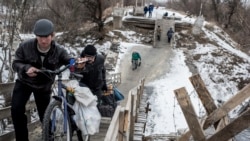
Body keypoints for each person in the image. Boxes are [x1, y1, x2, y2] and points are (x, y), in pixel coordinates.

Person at [11, 19, 73, 141]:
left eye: (47, 37)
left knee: (44, 115)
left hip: (44, 86)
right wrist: (26, 68)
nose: (43, 41)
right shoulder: (25, 46)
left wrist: (75, 64)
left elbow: (69, 60)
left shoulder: (59, 50)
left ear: (52, 35)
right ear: (36, 36)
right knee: (16, 109)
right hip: (25, 82)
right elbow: (16, 63)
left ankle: (49, 137)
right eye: (40, 37)